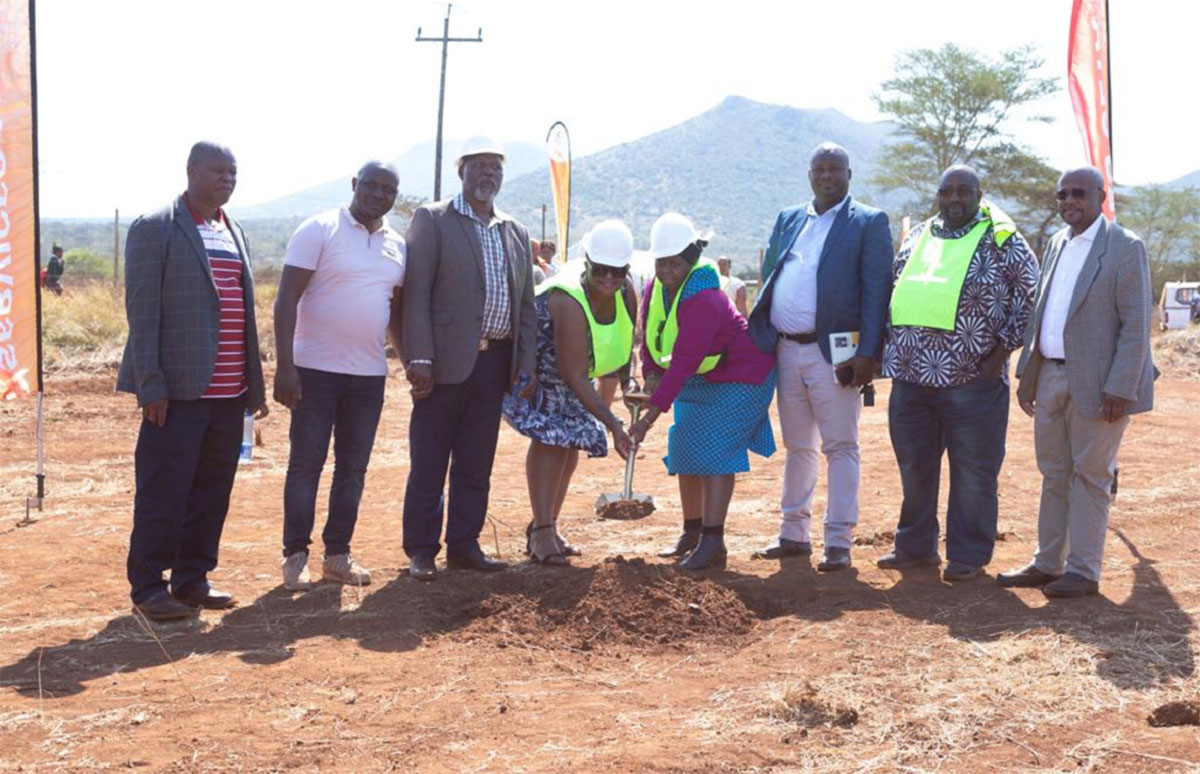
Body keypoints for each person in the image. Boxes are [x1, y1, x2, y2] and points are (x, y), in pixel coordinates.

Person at [117, 141, 268, 621]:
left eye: (233, 172)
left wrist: (254, 388)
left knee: (211, 490)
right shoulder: (156, 228)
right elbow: (141, 313)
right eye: (218, 170)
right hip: (178, 393)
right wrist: (151, 384)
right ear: (191, 171)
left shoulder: (232, 229)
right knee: (165, 489)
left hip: (228, 395)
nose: (227, 179)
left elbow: (244, 315)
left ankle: (192, 578)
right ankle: (148, 586)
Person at [876, 165, 1038, 582]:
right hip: (912, 379)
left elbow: (1031, 294)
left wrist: (1000, 353)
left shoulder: (1002, 238)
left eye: (963, 192)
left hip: (972, 380)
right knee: (915, 468)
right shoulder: (919, 235)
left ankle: (968, 554)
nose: (953, 200)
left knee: (973, 473)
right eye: (945, 191)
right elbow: (894, 286)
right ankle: (915, 548)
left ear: (979, 195)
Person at [998, 166, 1155, 598]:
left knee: (1090, 474)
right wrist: (1029, 375)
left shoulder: (1124, 248)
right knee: (1053, 473)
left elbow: (1137, 324)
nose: (1069, 200)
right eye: (1062, 194)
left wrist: (1121, 387)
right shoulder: (1055, 243)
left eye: (1079, 193)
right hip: (1050, 374)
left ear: (1101, 196)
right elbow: (1042, 312)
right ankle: (1048, 563)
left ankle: (1083, 571)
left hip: (1101, 385)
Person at [747, 142, 893, 571]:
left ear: (850, 174)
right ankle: (794, 534)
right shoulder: (789, 218)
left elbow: (876, 291)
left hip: (837, 356)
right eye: (819, 168)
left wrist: (868, 353)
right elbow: (771, 274)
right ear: (809, 175)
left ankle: (838, 542)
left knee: (841, 446)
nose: (827, 175)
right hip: (787, 349)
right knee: (798, 446)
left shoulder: (868, 222)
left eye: (835, 168)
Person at [402, 136, 537, 581]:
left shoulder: (514, 231)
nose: (488, 175)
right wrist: (418, 357)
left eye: (495, 167)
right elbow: (416, 294)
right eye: (478, 166)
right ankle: (422, 551)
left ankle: (464, 545)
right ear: (461, 171)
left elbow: (525, 307)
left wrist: (525, 364)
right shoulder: (434, 219)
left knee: (476, 462)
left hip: (493, 364)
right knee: (430, 460)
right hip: (441, 365)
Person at [273, 161, 406, 591]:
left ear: (395, 196)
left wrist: (408, 362)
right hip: (314, 372)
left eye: (388, 189)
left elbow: (394, 313)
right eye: (370, 185)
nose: (378, 194)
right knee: (306, 464)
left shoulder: (397, 246)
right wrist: (285, 366)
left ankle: (338, 555)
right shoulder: (319, 229)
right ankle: (295, 556)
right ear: (354, 185)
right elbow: (286, 300)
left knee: (353, 469)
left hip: (368, 377)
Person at [629, 212, 776, 570]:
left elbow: (682, 362)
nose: (666, 270)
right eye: (660, 262)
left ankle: (714, 543)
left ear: (691, 258)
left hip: (740, 376)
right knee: (684, 449)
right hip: (701, 376)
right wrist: (649, 374)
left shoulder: (705, 299)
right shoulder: (654, 288)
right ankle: (691, 533)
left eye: (674, 263)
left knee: (715, 454)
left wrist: (647, 419)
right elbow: (650, 336)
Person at [503, 220, 639, 564]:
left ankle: (546, 527)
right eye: (601, 270)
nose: (609, 278)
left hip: (576, 366)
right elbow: (573, 374)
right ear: (588, 263)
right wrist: (612, 422)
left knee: (572, 443)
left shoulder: (627, 291)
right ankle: (542, 532)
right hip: (540, 363)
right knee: (552, 438)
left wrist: (629, 384)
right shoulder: (567, 298)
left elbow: (622, 340)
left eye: (618, 270)